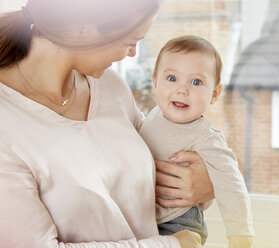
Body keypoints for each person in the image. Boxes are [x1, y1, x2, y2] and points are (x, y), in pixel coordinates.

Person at [0, 1, 215, 247]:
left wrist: (205, 183)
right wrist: (172, 245)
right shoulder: (6, 124)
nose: (133, 53)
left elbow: (155, 161)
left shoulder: (110, 86)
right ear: (81, 30)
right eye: (130, 41)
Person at [139, 35, 255, 248]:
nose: (182, 90)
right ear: (155, 82)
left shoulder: (207, 139)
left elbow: (232, 185)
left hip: (179, 222)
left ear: (214, 93)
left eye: (196, 82)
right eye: (172, 78)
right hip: (143, 219)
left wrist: (240, 234)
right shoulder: (151, 116)